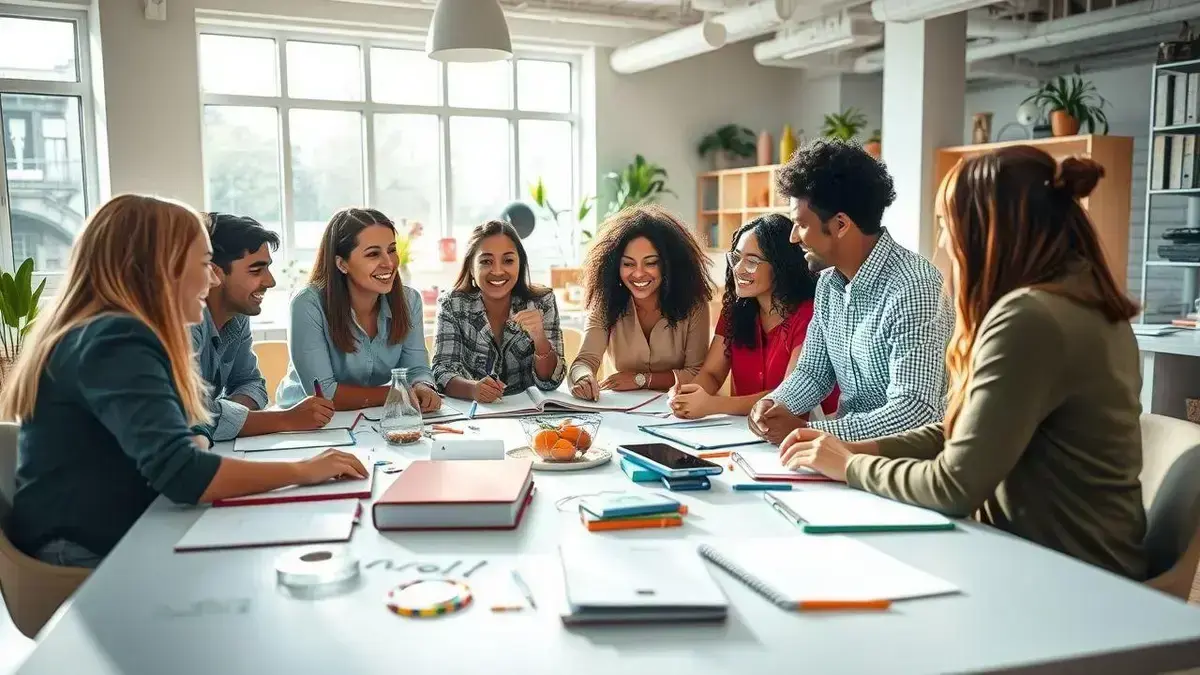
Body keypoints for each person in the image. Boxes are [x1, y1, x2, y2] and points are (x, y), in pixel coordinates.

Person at [779, 148, 1147, 580]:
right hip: (1053, 553)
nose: (941, 244)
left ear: (989, 232)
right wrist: (858, 450)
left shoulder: (1029, 319)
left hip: (1066, 573)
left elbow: (953, 487)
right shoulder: (1078, 303)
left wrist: (849, 465)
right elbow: (966, 429)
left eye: (946, 227)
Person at [0, 195, 367, 568]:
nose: (211, 279)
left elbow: (178, 446)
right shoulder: (116, 338)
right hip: (82, 552)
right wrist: (303, 470)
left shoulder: (111, 330)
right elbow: (183, 474)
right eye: (206, 263)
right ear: (161, 267)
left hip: (108, 530)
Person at [750, 139, 952, 443]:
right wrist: (774, 405)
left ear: (841, 224)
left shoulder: (914, 286)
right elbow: (812, 373)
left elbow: (914, 411)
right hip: (844, 457)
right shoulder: (829, 284)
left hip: (904, 464)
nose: (793, 237)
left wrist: (810, 433)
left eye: (801, 224)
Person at [667, 214, 838, 419]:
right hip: (742, 430)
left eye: (752, 261)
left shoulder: (809, 314)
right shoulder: (735, 310)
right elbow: (712, 373)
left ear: (781, 266)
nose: (738, 269)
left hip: (797, 431)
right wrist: (689, 395)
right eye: (736, 258)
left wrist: (712, 405)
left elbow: (788, 395)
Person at [275, 208, 440, 412]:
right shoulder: (307, 304)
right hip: (304, 422)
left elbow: (416, 369)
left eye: (391, 250)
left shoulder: (409, 300)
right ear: (342, 264)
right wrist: (401, 392)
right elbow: (324, 393)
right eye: (373, 254)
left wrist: (423, 386)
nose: (389, 263)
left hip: (367, 416)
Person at [193, 212, 334, 440]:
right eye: (256, 270)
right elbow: (191, 415)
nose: (271, 281)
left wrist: (227, 416)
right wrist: (287, 419)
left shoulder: (237, 315)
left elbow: (251, 384)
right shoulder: (186, 322)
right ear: (214, 273)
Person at [569, 205, 714, 400]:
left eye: (651, 263)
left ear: (669, 264)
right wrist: (583, 378)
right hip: (622, 412)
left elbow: (696, 374)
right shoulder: (606, 302)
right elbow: (584, 362)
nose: (638, 273)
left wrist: (642, 379)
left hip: (677, 409)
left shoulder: (694, 305)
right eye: (628, 264)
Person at [432, 220, 565, 401]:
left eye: (508, 260)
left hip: (529, 417)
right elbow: (442, 371)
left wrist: (540, 338)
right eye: (486, 261)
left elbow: (550, 381)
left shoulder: (542, 301)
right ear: (471, 267)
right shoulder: (452, 304)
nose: (497, 270)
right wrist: (473, 390)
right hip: (474, 415)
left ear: (520, 264)